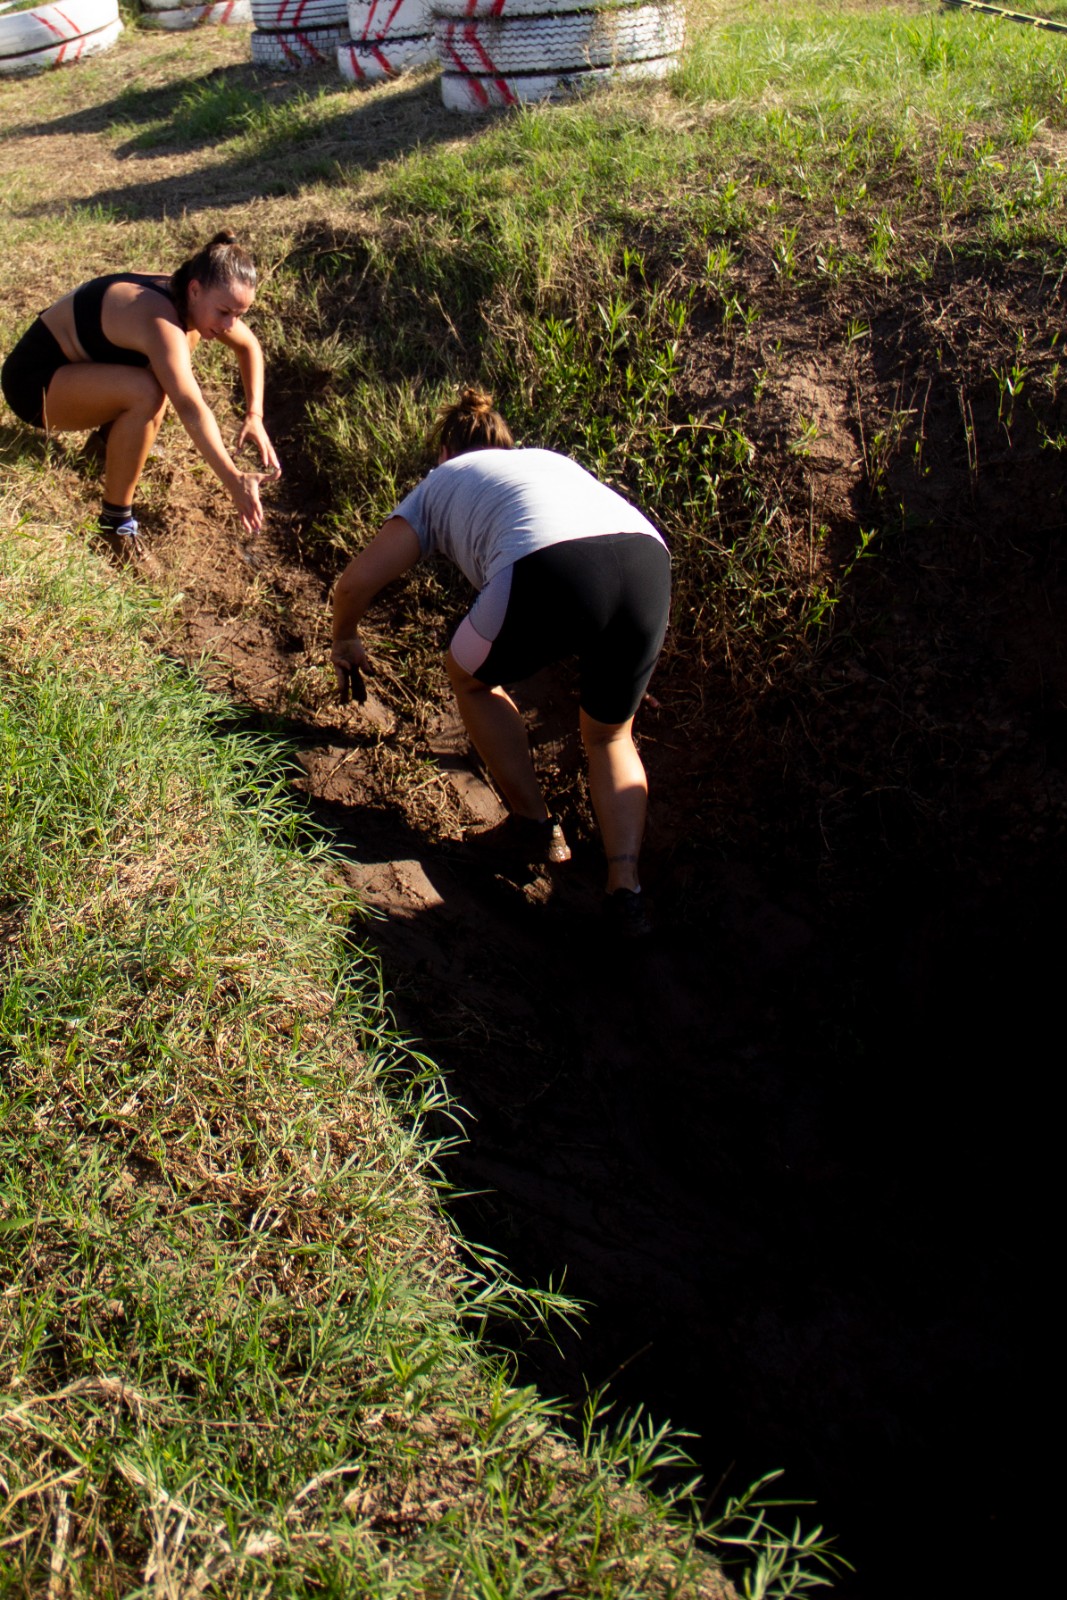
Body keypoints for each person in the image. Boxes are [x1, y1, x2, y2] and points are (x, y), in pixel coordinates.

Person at [331, 387, 671, 935]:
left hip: (552, 564)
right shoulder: (549, 462)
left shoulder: (442, 479)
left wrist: (344, 635)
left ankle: (533, 827)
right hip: (647, 558)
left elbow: (357, 583)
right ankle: (625, 892)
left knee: (467, 677)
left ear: (445, 452)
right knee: (611, 735)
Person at [1, 230, 280, 558]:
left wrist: (254, 416)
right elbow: (190, 407)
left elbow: (249, 347)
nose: (230, 324)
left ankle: (104, 447)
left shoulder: (189, 296)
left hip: (76, 375)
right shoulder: (159, 320)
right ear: (195, 289)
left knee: (179, 348)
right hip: (33, 387)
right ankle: (114, 527)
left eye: (239, 315)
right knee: (147, 394)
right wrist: (233, 479)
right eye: (223, 312)